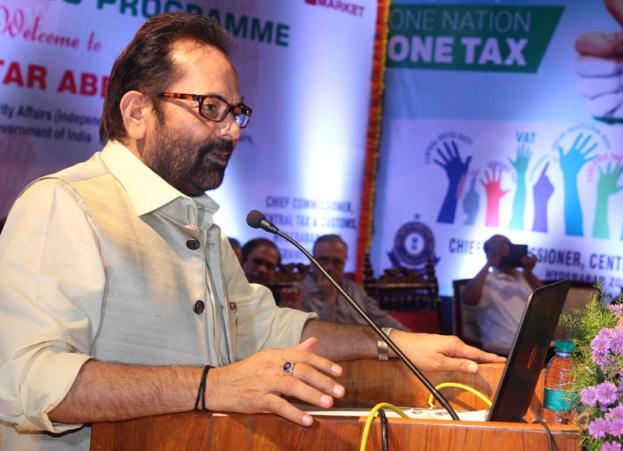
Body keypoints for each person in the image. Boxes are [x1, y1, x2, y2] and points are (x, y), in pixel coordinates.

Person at [0, 13, 502, 451]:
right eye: (209, 107)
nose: (232, 130)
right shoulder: (65, 205)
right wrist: (211, 387)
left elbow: (264, 329)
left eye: (236, 112)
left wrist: (391, 343)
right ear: (137, 113)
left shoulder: (199, 225)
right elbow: (26, 379)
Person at [299, 234, 408, 330]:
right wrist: (329, 300)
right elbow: (320, 335)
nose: (329, 267)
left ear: (344, 263)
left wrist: (410, 335)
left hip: (366, 343)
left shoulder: (353, 288)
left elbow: (381, 319)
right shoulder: (299, 293)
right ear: (312, 261)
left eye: (337, 262)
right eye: (323, 260)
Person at [461, 234, 543, 354]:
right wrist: (489, 263)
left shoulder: (523, 276)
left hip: (534, 348)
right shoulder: (487, 281)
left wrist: (529, 272)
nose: (505, 251)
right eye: (499, 248)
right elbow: (469, 299)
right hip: (503, 350)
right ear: (489, 253)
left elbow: (549, 301)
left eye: (508, 246)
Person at [241, 237, 301, 309]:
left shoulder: (275, 299)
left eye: (269, 266)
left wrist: (286, 309)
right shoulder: (229, 290)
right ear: (242, 261)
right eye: (257, 262)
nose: (263, 270)